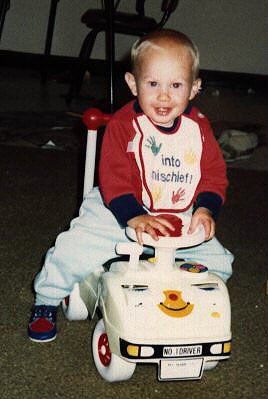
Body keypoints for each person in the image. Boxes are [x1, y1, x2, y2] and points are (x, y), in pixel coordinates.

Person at [28, 29, 234, 342]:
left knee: (220, 263)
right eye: (152, 84)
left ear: (194, 88)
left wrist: (205, 208)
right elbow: (114, 177)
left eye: (175, 85)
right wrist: (134, 215)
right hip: (120, 206)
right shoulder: (124, 125)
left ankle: (176, 291)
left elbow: (213, 173)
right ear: (132, 83)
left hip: (179, 211)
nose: (164, 96)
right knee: (74, 248)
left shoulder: (199, 128)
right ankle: (46, 299)